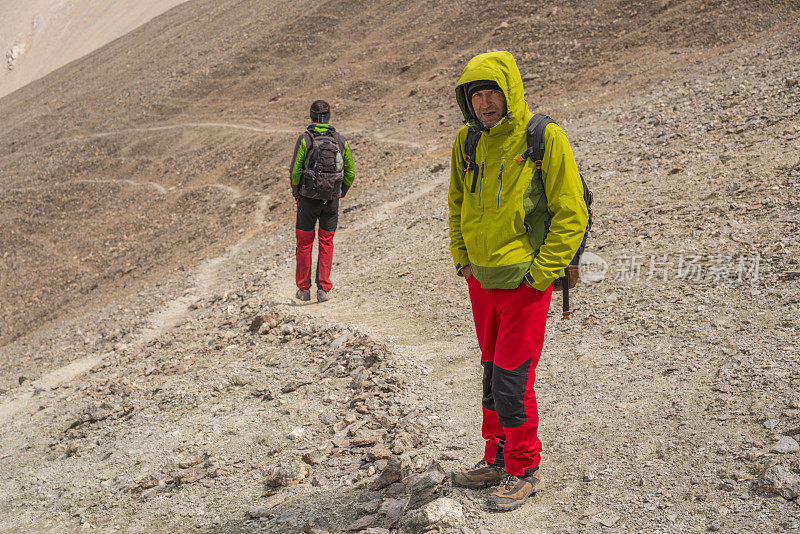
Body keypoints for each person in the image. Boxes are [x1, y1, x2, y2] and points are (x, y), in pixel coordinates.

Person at [447, 51, 589, 511]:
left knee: (512, 378)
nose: (485, 102)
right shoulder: (466, 142)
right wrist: (463, 260)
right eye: (477, 94)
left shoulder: (543, 138)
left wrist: (542, 274)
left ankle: (525, 468)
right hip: (481, 282)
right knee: (491, 374)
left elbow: (572, 212)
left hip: (526, 284)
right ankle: (496, 456)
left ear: (510, 93)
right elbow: (456, 205)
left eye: (492, 92)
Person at [289, 100, 355, 302]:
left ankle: (303, 289)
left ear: (311, 117)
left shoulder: (305, 139)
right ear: (329, 118)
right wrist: (340, 192)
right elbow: (350, 173)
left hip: (307, 201)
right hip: (331, 201)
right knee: (326, 243)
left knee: (304, 244)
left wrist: (296, 191)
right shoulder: (340, 140)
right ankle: (323, 289)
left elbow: (295, 170)